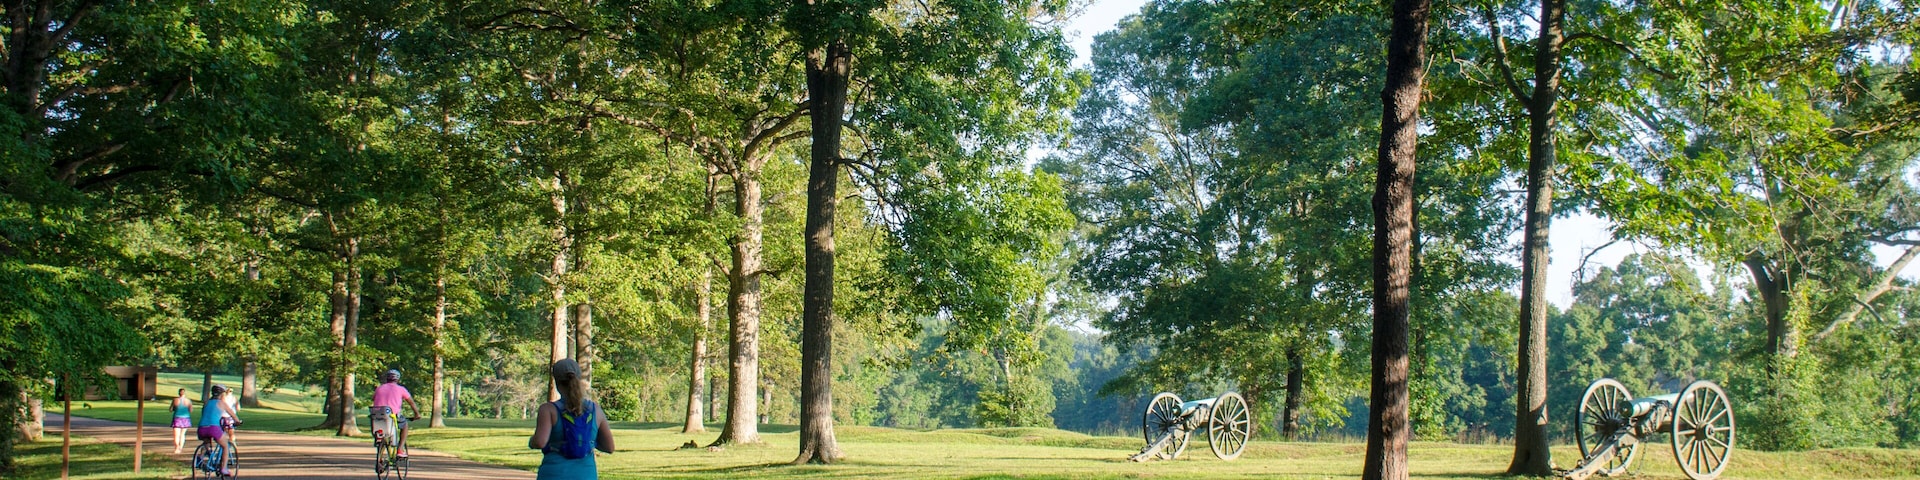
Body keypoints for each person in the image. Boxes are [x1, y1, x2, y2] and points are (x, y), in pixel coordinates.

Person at [528, 358, 613, 479]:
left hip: (554, 473)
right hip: (586, 474)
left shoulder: (548, 410)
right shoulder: (595, 410)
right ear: (579, 379)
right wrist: (584, 442)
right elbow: (609, 447)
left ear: (556, 382)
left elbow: (540, 442)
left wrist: (531, 441)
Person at [371, 369, 421, 457]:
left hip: (377, 414)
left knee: (380, 431)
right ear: (397, 379)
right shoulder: (401, 389)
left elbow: (373, 398)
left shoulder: (379, 388)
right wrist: (417, 414)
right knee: (404, 425)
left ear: (387, 378)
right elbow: (411, 402)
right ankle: (400, 449)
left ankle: (379, 442)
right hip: (392, 415)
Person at [197, 385, 241, 476]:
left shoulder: (206, 403)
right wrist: (237, 422)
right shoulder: (222, 403)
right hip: (213, 428)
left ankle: (200, 458)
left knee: (207, 443)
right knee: (225, 446)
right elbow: (234, 416)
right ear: (222, 394)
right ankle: (224, 468)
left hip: (201, 428)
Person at [170, 388, 193, 454]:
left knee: (176, 435)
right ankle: (181, 447)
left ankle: (176, 447)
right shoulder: (188, 401)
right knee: (183, 434)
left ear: (179, 393)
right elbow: (191, 410)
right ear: (184, 393)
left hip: (177, 418)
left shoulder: (175, 400)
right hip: (186, 418)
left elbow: (171, 409)